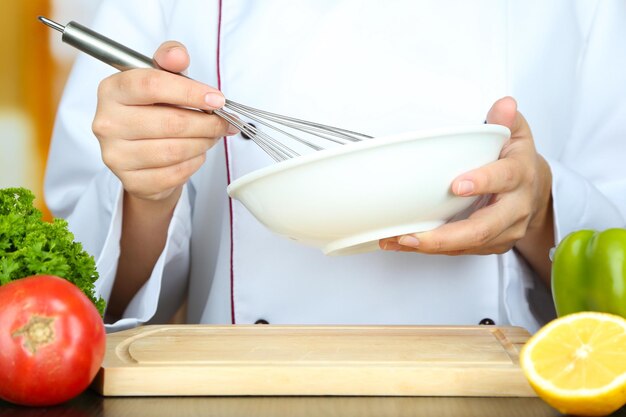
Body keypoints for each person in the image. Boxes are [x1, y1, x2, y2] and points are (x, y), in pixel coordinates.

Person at [45, 0, 626, 333]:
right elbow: (89, 287)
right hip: (240, 393)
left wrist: (544, 205)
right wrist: (146, 194)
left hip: (497, 394)